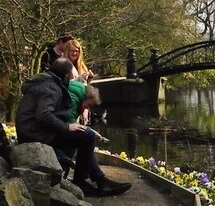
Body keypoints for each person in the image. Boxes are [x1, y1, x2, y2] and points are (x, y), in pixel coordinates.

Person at [15, 57, 129, 197]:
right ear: (68, 73)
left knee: (83, 134)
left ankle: (100, 181)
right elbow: (43, 115)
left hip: (32, 130)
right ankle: (82, 182)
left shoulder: (47, 81)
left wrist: (68, 126)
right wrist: (66, 127)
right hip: (35, 134)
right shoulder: (51, 86)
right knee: (87, 136)